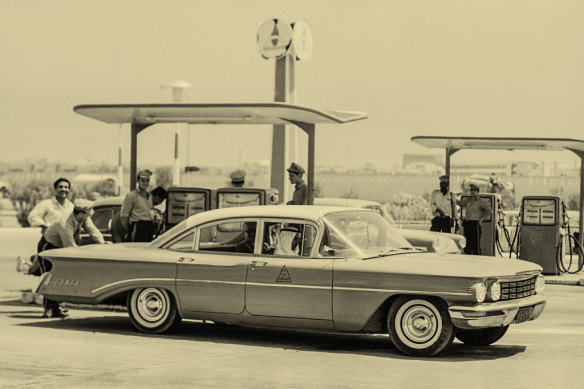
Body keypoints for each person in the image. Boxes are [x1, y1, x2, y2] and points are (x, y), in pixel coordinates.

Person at [37, 199, 106, 318]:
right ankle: (48, 309)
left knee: (60, 278)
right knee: (49, 277)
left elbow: (93, 231)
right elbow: (70, 248)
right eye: (88, 213)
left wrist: (103, 245)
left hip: (60, 248)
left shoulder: (82, 217)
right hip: (48, 247)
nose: (90, 215)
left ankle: (56, 308)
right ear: (80, 214)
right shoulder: (65, 223)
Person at [28, 178, 75, 251]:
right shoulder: (47, 204)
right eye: (60, 187)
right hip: (49, 242)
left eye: (66, 187)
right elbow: (32, 216)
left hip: (65, 243)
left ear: (69, 190)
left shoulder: (71, 206)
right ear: (55, 189)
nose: (63, 189)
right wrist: (43, 225)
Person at [120, 169, 159, 242]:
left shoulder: (149, 196)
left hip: (149, 226)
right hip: (138, 227)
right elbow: (124, 216)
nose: (145, 183)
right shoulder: (131, 195)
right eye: (142, 180)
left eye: (147, 180)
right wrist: (130, 230)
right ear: (138, 181)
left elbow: (150, 211)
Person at [457, 183, 490, 255]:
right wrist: (453, 199)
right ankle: (468, 257)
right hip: (467, 223)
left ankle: (477, 258)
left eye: (474, 190)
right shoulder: (468, 201)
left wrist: (481, 219)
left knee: (475, 244)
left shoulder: (481, 202)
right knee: (467, 243)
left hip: (475, 224)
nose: (472, 192)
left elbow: (488, 210)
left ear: (477, 191)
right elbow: (460, 203)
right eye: (471, 190)